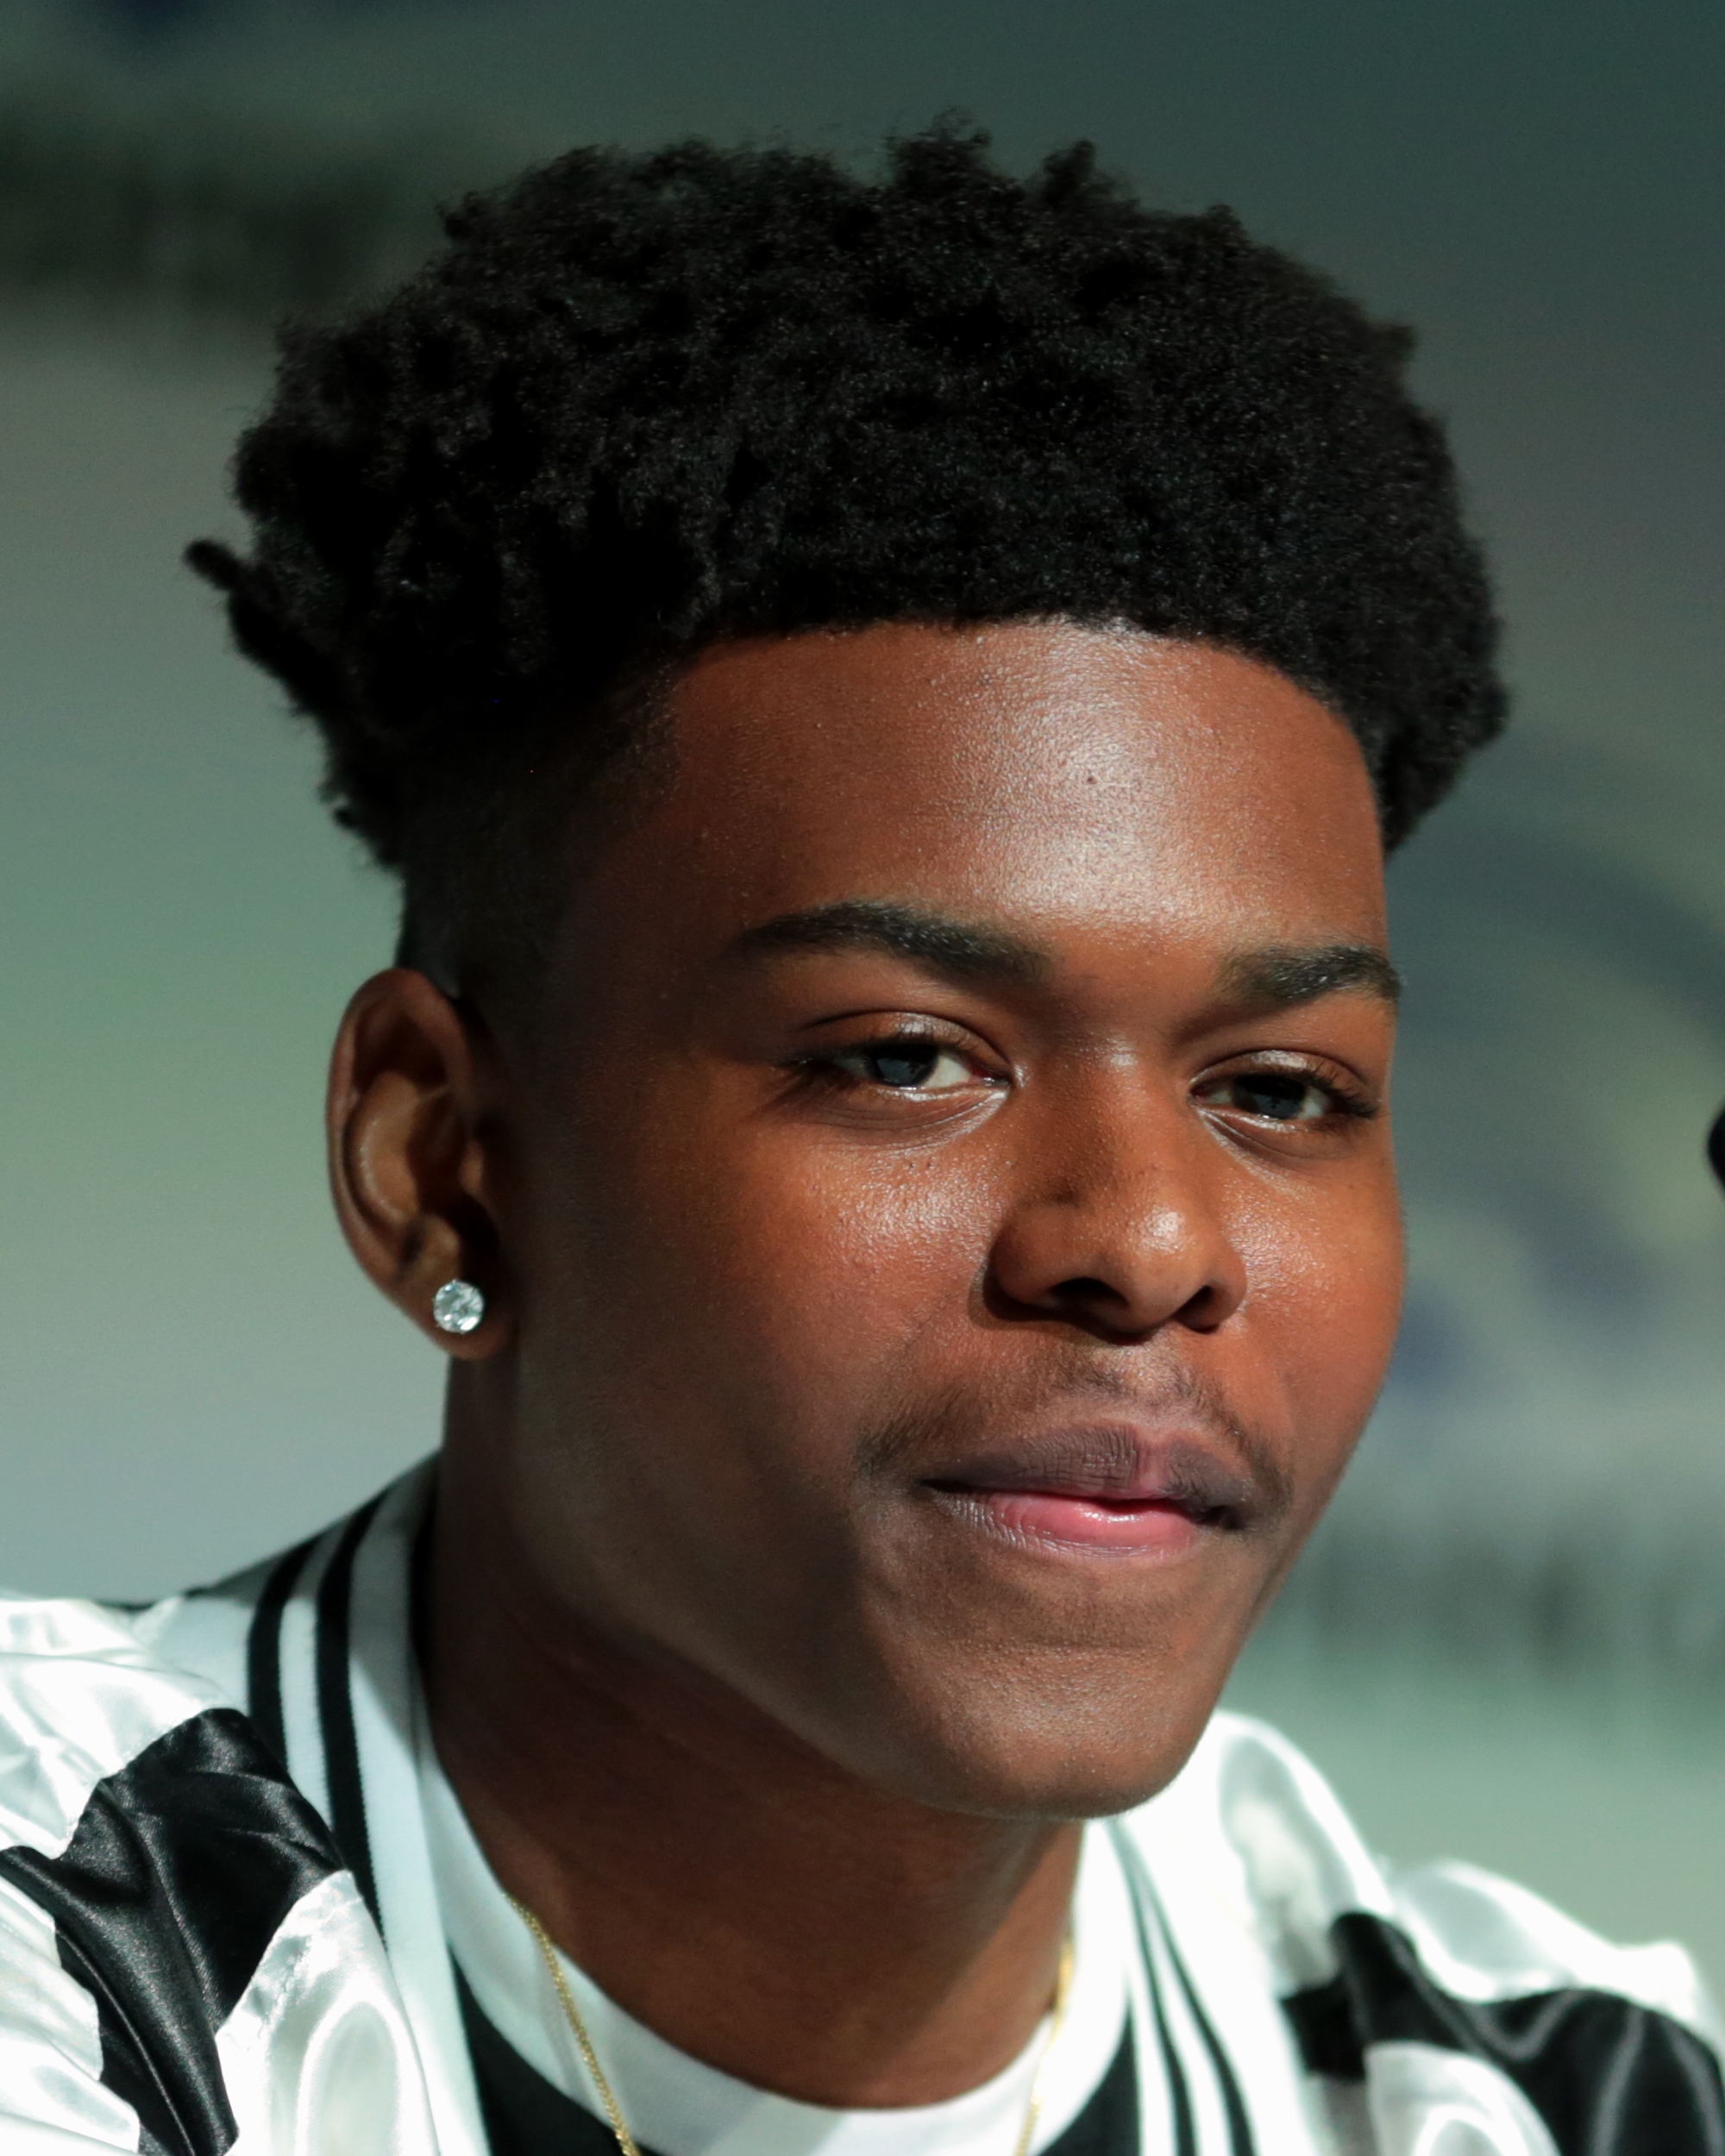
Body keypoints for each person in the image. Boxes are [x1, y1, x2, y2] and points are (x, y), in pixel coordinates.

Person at [1, 128, 1716, 2156]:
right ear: (442, 1164)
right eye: (908, 1056)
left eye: (1278, 1089)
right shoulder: (72, 1937)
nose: (1147, 1238)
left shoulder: (1548, 2097)